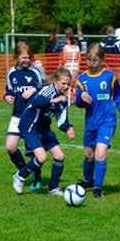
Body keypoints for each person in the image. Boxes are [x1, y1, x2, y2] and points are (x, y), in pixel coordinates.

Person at [75, 43, 120, 198]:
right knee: (89, 155)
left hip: (107, 120)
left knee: (100, 154)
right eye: (89, 59)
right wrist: (81, 97)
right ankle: (89, 180)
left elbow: (119, 97)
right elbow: (78, 103)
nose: (91, 63)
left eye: (95, 60)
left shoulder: (109, 76)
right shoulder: (81, 79)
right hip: (91, 122)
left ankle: (98, 188)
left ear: (102, 60)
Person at [12, 67, 75, 196]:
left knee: (59, 156)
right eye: (63, 83)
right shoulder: (49, 90)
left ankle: (53, 189)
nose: (66, 86)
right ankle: (20, 176)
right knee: (41, 157)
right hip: (30, 126)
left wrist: (68, 128)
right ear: (56, 82)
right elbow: (36, 101)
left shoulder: (63, 100)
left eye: (68, 84)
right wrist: (53, 100)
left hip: (44, 128)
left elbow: (62, 121)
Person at [4, 44, 45, 192]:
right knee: (10, 147)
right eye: (23, 57)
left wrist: (34, 89)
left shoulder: (36, 70)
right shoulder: (12, 73)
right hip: (17, 115)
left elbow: (46, 87)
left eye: (28, 57)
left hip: (33, 116)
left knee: (34, 151)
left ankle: (37, 178)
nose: (26, 60)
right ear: (16, 57)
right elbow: (9, 90)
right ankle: (24, 171)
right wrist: (7, 96)